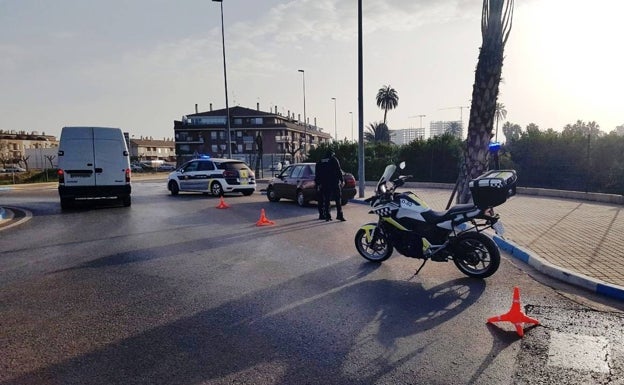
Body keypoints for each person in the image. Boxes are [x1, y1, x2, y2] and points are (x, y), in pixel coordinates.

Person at [317, 149, 345, 221]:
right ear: (332, 154)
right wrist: (342, 180)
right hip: (334, 182)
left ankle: (327, 216)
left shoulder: (320, 161)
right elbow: (338, 170)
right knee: (338, 199)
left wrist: (318, 183)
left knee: (327, 200)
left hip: (324, 183)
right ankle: (339, 215)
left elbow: (318, 173)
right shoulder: (333, 160)